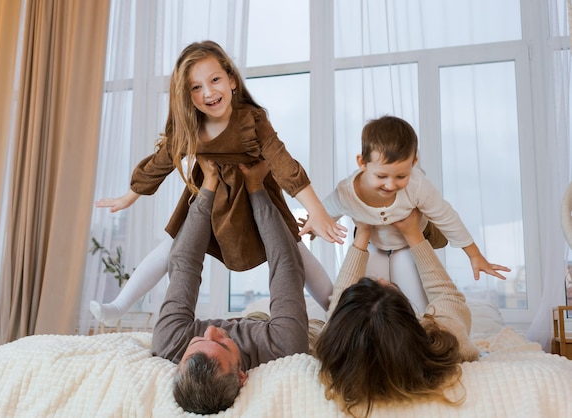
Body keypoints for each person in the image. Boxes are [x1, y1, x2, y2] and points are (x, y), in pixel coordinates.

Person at [91, 40, 346, 325]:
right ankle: (118, 306)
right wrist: (129, 195)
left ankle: (340, 314)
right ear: (187, 95)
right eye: (196, 87)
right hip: (211, 200)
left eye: (214, 80)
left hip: (256, 197)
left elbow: (283, 163)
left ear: (232, 81)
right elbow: (160, 162)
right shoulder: (189, 127)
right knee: (172, 248)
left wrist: (318, 212)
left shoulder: (252, 120)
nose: (209, 92)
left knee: (295, 253)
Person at [152, 158, 309, 414]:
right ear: (241, 375)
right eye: (223, 344)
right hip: (274, 319)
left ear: (179, 361)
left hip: (212, 185)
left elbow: (185, 264)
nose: (212, 329)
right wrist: (256, 187)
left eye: (198, 341)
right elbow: (286, 265)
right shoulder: (285, 346)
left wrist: (209, 185)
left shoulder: (170, 343)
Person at [322, 115, 509, 311]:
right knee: (366, 305)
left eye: (401, 176)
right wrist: (310, 227)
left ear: (414, 162)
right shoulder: (348, 191)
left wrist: (474, 254)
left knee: (417, 308)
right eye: (381, 176)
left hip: (407, 245)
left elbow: (446, 217)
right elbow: (324, 214)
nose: (390, 184)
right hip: (373, 245)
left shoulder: (417, 185)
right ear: (362, 162)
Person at [314, 208, 480, 418]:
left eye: (375, 281)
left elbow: (339, 301)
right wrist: (413, 235)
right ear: (412, 320)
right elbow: (448, 296)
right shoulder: (444, 343)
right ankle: (397, 240)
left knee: (377, 251)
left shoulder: (335, 344)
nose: (382, 279)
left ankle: (378, 240)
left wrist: (363, 233)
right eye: (390, 286)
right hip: (409, 245)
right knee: (403, 254)